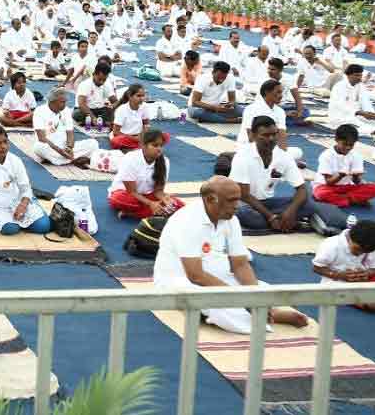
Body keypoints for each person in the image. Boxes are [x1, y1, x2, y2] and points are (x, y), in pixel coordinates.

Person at [154, 176, 308, 334]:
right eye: (231, 200)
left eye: (238, 200)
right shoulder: (187, 221)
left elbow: (240, 264)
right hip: (179, 279)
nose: (237, 206)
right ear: (210, 199)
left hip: (217, 275)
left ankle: (260, 310)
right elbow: (195, 275)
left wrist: (253, 296)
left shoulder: (231, 219)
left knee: (261, 289)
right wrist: (242, 300)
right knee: (219, 307)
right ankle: (272, 314)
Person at [230, 116, 346, 235]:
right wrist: (271, 217)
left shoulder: (283, 156)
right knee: (249, 216)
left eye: (274, 134)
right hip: (244, 204)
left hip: (268, 203)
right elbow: (244, 195)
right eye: (265, 135)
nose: (271, 139)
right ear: (253, 136)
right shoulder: (242, 156)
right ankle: (292, 223)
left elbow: (302, 189)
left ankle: (284, 221)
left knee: (308, 204)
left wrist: (290, 211)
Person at [311, 220, 375, 311]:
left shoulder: (371, 246)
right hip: (338, 282)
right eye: (357, 249)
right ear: (349, 237)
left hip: (367, 280)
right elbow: (317, 268)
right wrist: (338, 275)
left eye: (365, 252)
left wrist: (367, 274)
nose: (359, 253)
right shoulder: (331, 245)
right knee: (374, 305)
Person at [108, 129, 182, 219]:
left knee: (178, 206)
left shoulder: (165, 161)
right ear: (143, 146)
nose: (159, 149)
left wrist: (164, 198)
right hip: (128, 194)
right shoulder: (130, 158)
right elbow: (132, 192)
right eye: (155, 145)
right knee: (119, 199)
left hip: (149, 196)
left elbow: (158, 191)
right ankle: (156, 212)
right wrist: (151, 203)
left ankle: (132, 214)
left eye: (161, 146)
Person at [313, 124, 375, 208]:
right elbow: (329, 182)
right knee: (321, 194)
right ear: (336, 140)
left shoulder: (356, 156)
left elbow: (356, 182)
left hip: (346, 187)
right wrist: (340, 175)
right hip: (327, 187)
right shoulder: (326, 155)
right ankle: (353, 200)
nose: (348, 147)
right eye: (345, 144)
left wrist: (356, 176)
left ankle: (343, 200)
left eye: (351, 145)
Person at [237, 79, 303, 162]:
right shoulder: (251, 109)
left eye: (281, 92)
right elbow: (251, 137)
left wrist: (283, 154)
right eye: (278, 92)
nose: (281, 96)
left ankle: (277, 161)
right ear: (267, 92)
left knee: (298, 152)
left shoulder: (280, 111)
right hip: (250, 147)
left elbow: (282, 137)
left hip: (270, 147)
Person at [31, 88, 98, 167]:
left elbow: (70, 132)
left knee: (93, 143)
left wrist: (69, 147)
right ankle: (72, 159)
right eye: (62, 102)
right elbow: (42, 138)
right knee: (38, 147)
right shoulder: (39, 111)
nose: (65, 104)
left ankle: (60, 160)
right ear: (52, 102)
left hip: (64, 147)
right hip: (50, 147)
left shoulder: (66, 110)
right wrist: (60, 151)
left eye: (65, 101)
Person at [111, 84, 167, 151]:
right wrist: (135, 138)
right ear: (130, 96)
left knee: (165, 136)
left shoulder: (144, 106)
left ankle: (139, 146)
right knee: (116, 141)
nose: (142, 98)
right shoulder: (121, 109)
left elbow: (146, 124)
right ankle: (143, 146)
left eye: (143, 96)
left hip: (140, 136)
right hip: (126, 137)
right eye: (138, 96)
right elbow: (116, 132)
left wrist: (143, 135)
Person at [327, 64, 375, 135]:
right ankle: (373, 131)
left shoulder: (360, 85)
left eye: (360, 75)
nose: (359, 78)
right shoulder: (339, 86)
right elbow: (340, 105)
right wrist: (359, 112)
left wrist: (371, 114)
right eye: (356, 75)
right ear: (348, 75)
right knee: (364, 127)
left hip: (357, 115)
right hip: (340, 116)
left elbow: (366, 102)